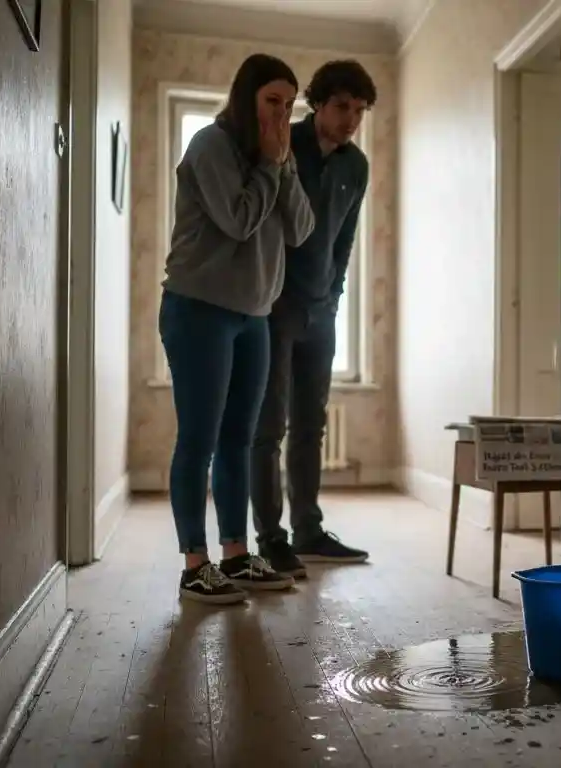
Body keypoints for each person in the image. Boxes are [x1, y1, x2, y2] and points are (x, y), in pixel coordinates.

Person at [160, 53, 315, 604]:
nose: (281, 113)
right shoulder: (210, 146)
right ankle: (194, 565)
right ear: (246, 97)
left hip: (255, 316)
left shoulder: (275, 155)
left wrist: (284, 165)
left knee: (238, 440)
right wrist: (272, 167)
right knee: (199, 439)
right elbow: (240, 219)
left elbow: (299, 229)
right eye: (272, 100)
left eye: (289, 103)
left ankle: (236, 555)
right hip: (198, 310)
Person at [250, 60, 376, 576]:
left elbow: (344, 244)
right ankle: (270, 538)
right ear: (318, 103)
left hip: (321, 312)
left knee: (311, 426)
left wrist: (333, 300)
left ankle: (308, 531)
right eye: (343, 106)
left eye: (360, 111)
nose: (351, 119)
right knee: (268, 426)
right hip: (273, 307)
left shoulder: (357, 166)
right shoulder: (284, 141)